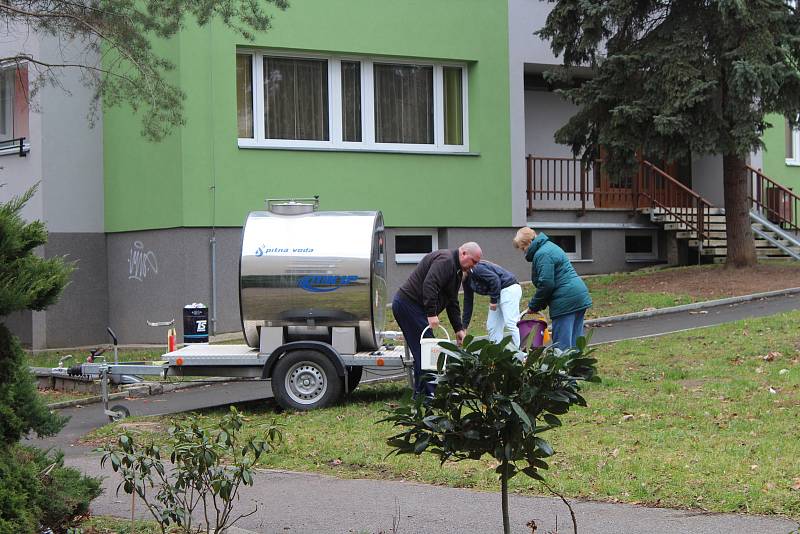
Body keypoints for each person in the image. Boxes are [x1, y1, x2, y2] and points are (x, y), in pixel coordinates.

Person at [392, 242, 482, 394]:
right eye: (473, 261)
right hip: (408, 305)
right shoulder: (446, 260)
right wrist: (431, 313)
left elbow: (452, 300)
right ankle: (428, 397)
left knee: (425, 354)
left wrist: (458, 328)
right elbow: (430, 284)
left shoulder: (457, 271)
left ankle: (421, 397)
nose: (473, 266)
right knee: (428, 354)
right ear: (464, 253)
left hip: (415, 308)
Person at [513, 227, 592, 350]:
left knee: (562, 345)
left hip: (565, 300)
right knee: (576, 341)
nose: (524, 252)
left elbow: (546, 283)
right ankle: (578, 367)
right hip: (578, 295)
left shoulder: (542, 254)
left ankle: (563, 369)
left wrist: (533, 306)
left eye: (523, 248)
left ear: (528, 243)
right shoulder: (550, 246)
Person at [461, 260, 522, 348]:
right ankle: (496, 354)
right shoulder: (466, 280)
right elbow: (468, 302)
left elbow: (494, 279)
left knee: (511, 322)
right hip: (498, 293)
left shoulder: (476, 269)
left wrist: (493, 301)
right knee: (492, 326)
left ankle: (523, 352)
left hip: (509, 288)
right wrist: (464, 327)